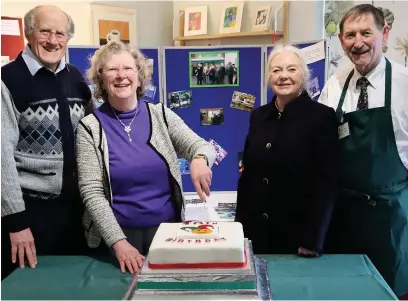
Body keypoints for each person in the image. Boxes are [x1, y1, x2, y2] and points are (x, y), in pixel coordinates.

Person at [76, 41, 216, 275]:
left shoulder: (160, 115)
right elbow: (91, 193)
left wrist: (200, 159)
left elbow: (200, 145)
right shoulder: (90, 127)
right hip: (116, 238)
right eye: (112, 69)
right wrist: (118, 243)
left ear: (140, 76)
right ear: (101, 78)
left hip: (168, 234)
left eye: (128, 69)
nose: (121, 76)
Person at [319, 4, 408, 297]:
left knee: (387, 292)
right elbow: (317, 142)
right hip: (344, 216)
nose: (358, 42)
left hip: (391, 217)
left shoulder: (404, 84)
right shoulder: (335, 85)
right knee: (343, 291)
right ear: (342, 40)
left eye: (366, 33)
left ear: (384, 33)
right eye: (350, 35)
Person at [1, 5, 92, 280]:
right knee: (29, 289)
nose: (53, 41)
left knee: (75, 288)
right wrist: (16, 222)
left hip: (75, 211)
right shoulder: (8, 80)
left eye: (60, 34)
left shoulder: (76, 79)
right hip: (31, 213)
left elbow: (94, 135)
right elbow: (2, 155)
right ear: (29, 33)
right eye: (45, 31)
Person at [235, 44, 339, 256]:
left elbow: (326, 183)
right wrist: (240, 232)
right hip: (256, 236)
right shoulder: (259, 116)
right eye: (276, 70)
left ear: (304, 74)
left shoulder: (321, 117)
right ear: (268, 77)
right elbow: (248, 179)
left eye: (291, 69)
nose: (283, 76)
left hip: (298, 240)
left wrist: (312, 240)